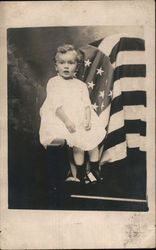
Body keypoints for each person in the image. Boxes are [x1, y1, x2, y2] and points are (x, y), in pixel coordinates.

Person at [39, 44, 106, 183]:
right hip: (61, 117)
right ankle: (80, 172)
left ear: (77, 65)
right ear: (55, 66)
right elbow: (56, 106)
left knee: (93, 137)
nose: (66, 66)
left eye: (71, 63)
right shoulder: (53, 83)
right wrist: (67, 121)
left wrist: (88, 120)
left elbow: (87, 105)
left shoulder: (80, 85)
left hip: (81, 118)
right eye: (62, 63)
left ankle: (94, 170)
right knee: (77, 143)